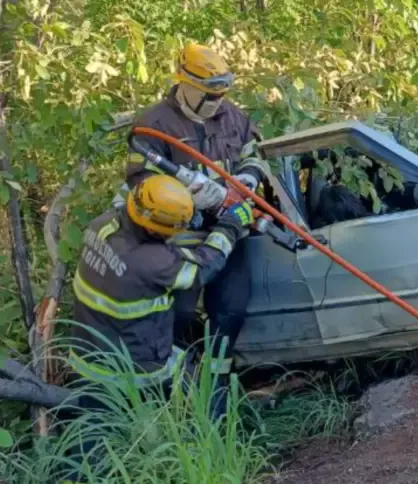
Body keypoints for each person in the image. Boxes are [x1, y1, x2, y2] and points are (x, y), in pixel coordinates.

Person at [67, 174, 253, 480]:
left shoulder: (102, 225)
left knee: (91, 439)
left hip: (87, 357)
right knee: (203, 386)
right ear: (156, 230)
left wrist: (185, 203)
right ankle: (218, 449)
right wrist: (231, 225)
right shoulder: (151, 262)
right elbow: (203, 268)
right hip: (139, 366)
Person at [121, 42, 268, 417]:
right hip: (178, 238)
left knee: (231, 309)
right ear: (184, 83)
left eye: (222, 94)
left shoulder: (233, 117)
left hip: (231, 232)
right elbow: (140, 180)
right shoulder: (154, 126)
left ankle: (217, 388)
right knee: (180, 317)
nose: (216, 103)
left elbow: (255, 153)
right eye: (209, 95)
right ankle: (176, 393)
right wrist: (192, 197)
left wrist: (245, 181)